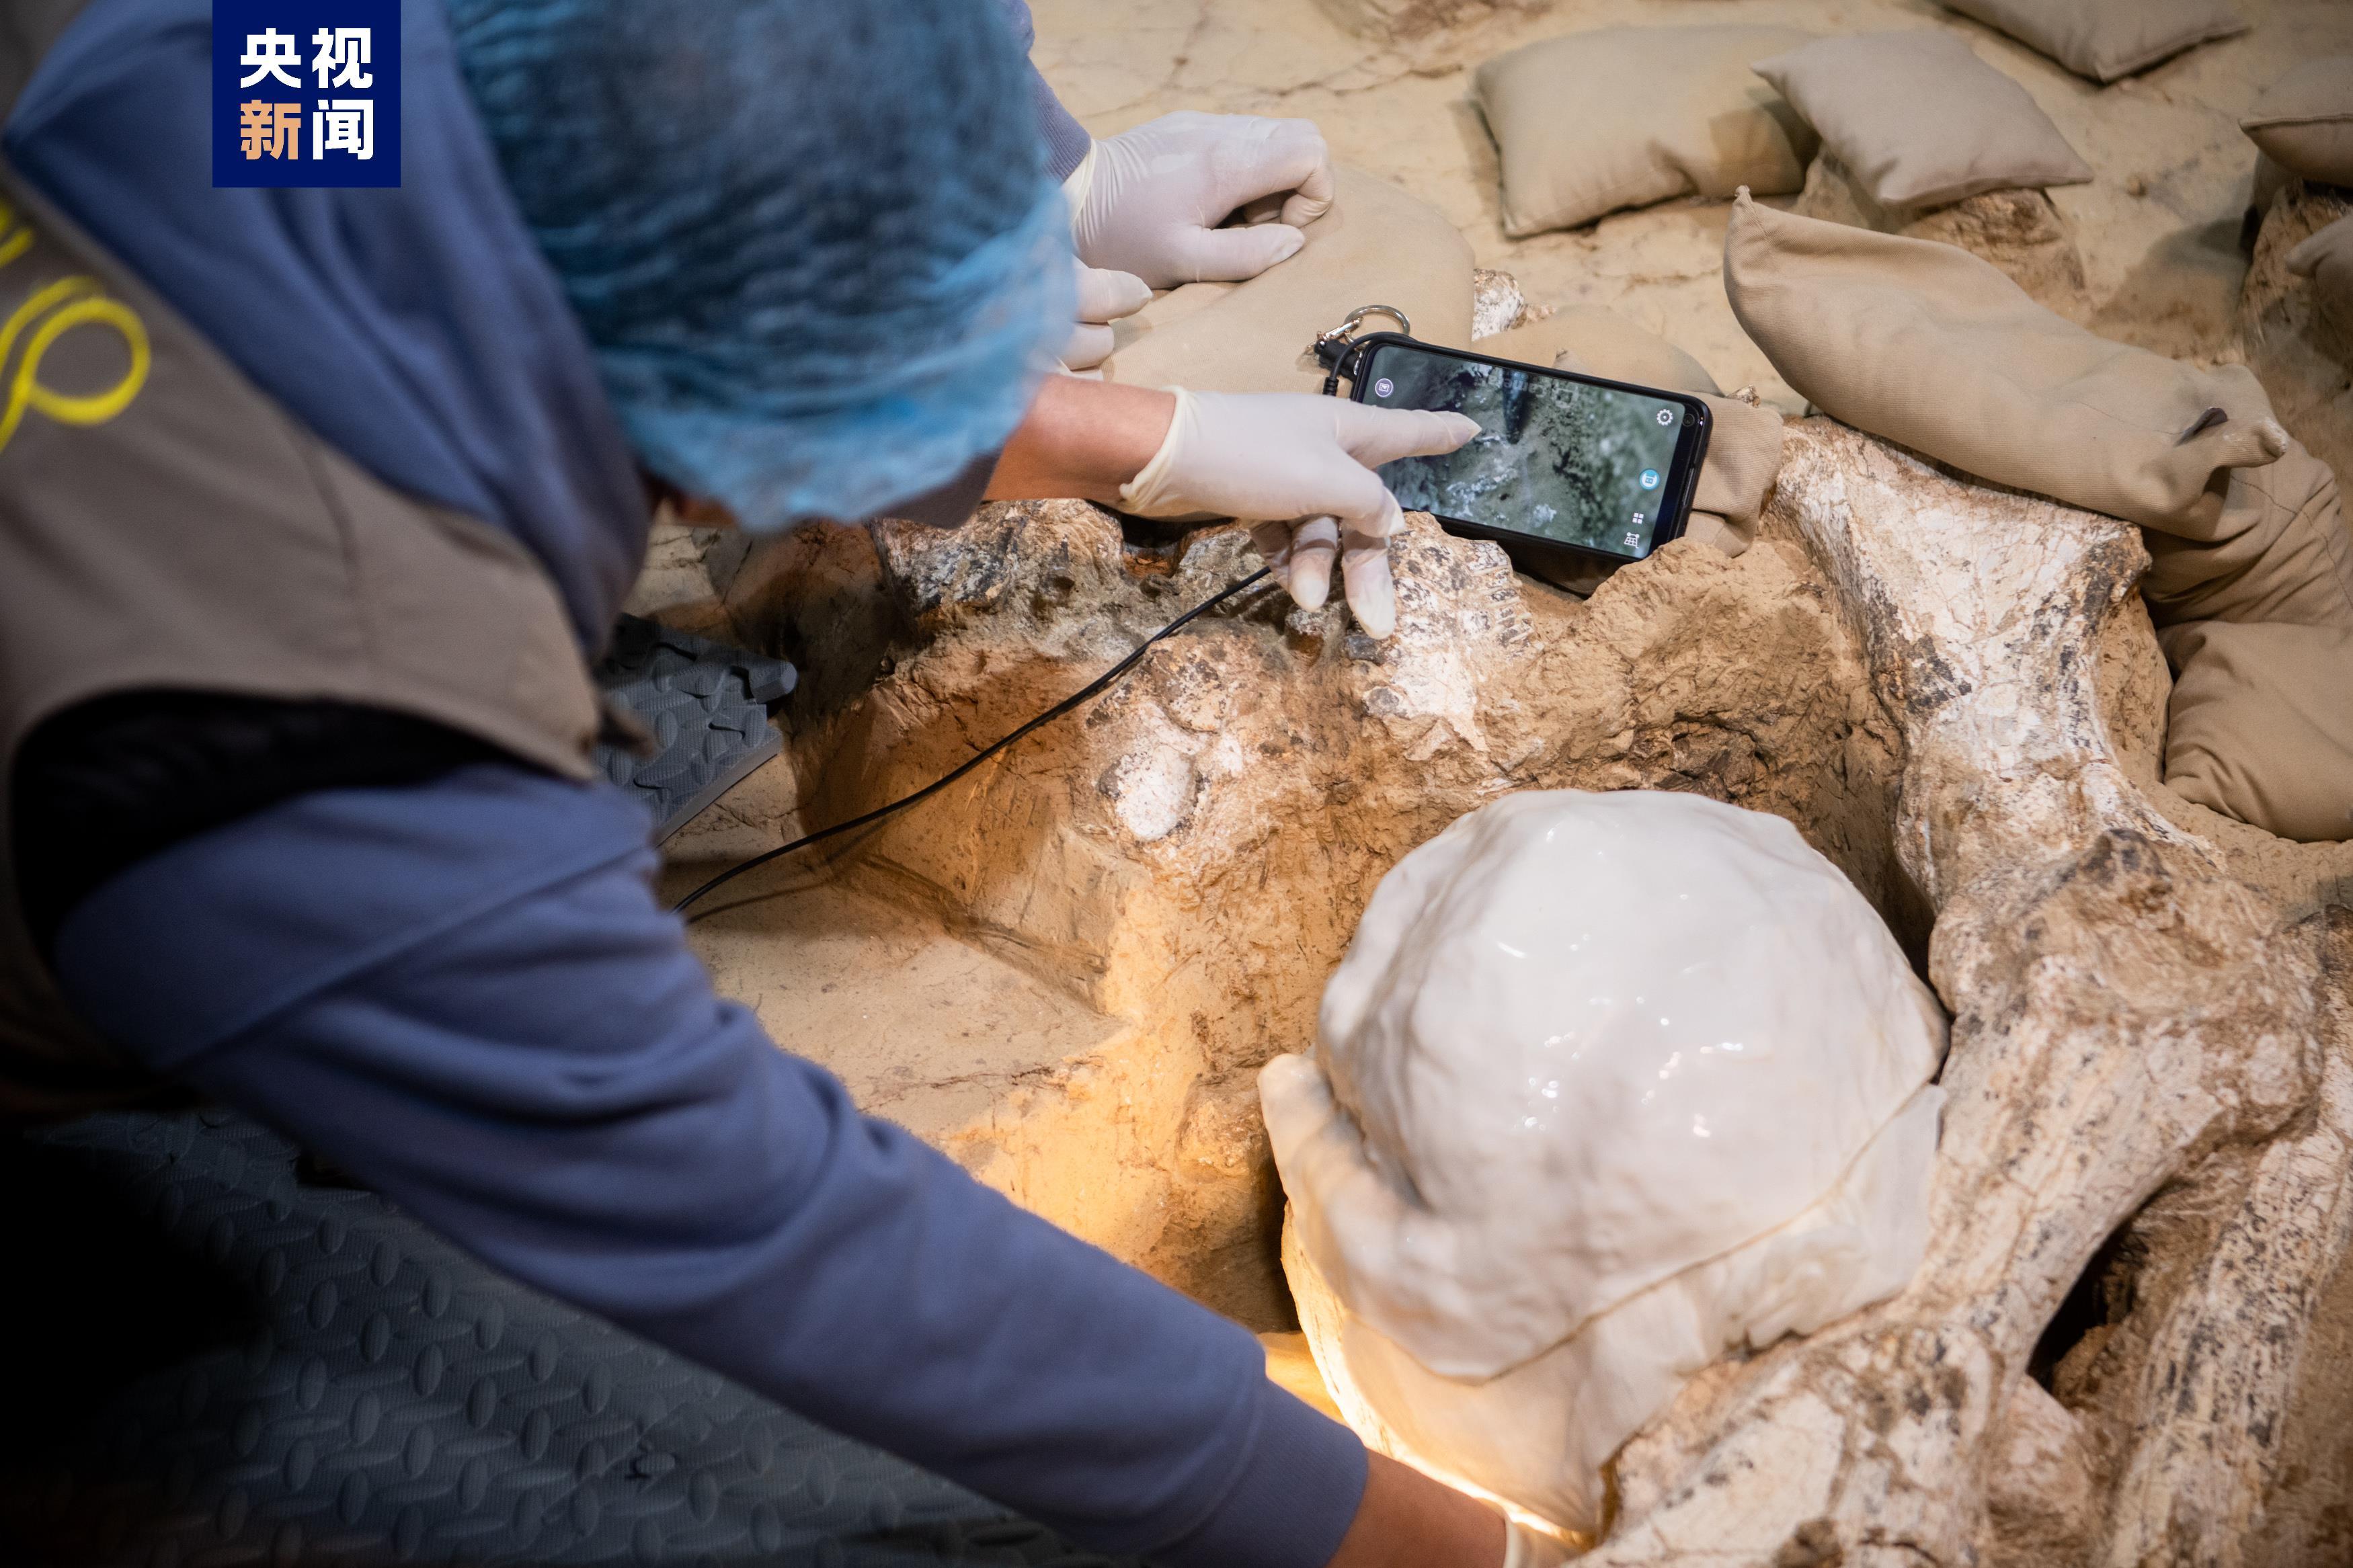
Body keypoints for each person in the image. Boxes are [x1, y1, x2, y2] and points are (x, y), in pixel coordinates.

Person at [0, 3, 1502, 1567]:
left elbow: (661, 230)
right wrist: (1415, 1537)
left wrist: (1149, 441)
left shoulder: (253, 68)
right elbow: (777, 1233)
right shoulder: (321, 739)